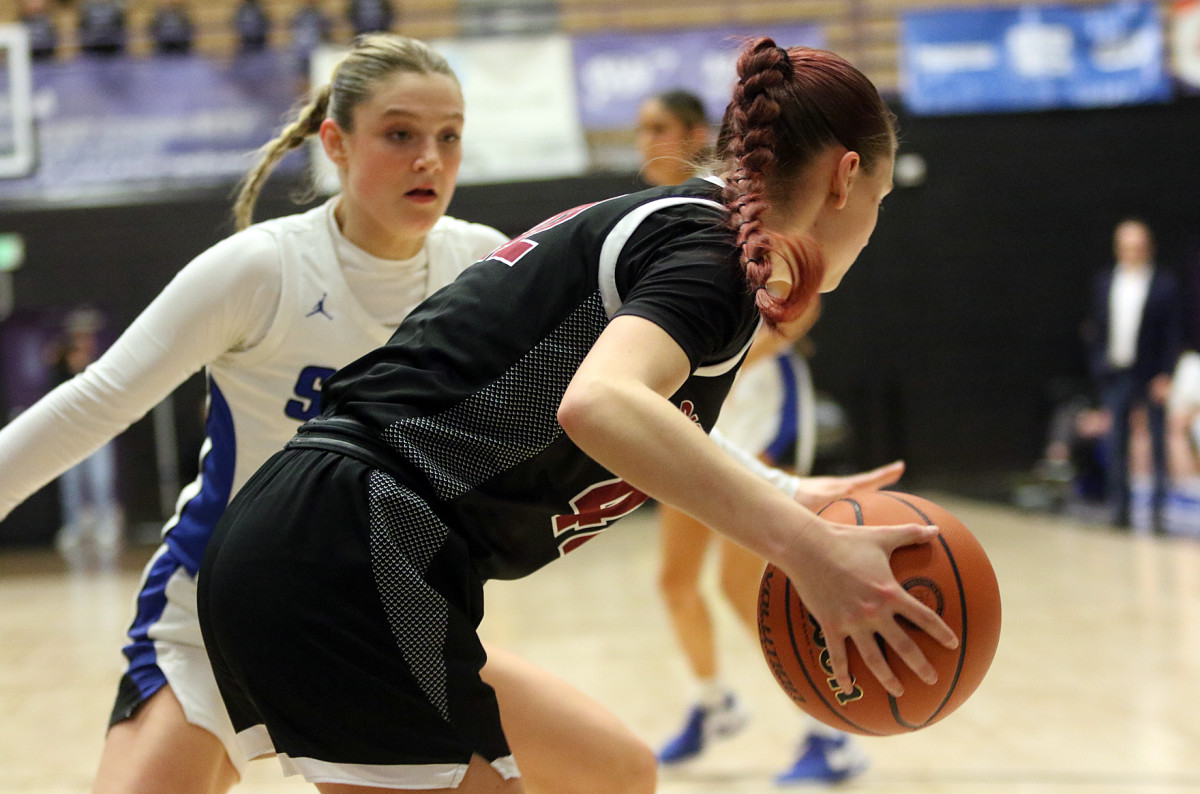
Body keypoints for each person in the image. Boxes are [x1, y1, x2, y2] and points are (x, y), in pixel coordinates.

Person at [198, 38, 959, 792]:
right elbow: (601, 403)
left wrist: (791, 495)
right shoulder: (715, 257)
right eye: (881, 201)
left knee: (612, 773)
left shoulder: (696, 234)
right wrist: (807, 550)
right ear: (845, 176)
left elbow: (647, 417)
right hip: (349, 550)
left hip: (340, 540)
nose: (874, 221)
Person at [0, 34, 650, 794]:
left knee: (614, 770)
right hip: (223, 611)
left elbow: (614, 396)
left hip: (376, 615)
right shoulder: (263, 267)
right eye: (400, 134)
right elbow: (93, 400)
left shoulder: (482, 264)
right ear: (335, 143)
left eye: (449, 137)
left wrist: (776, 496)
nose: (429, 159)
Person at [635, 87, 869, 785]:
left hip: (759, 413)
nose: (643, 140)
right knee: (676, 581)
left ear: (693, 133)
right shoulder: (653, 220)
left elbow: (802, 311)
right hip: (695, 421)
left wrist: (712, 353)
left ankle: (833, 732)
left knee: (753, 589)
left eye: (656, 128)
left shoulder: (744, 208)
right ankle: (714, 705)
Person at [1085, 218, 1183, 531]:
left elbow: (1172, 333)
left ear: (1148, 248)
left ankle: (1157, 508)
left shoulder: (1164, 283)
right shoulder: (1105, 281)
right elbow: (1097, 327)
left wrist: (1166, 374)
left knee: (1156, 440)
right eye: (1126, 246)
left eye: (1138, 246)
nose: (1132, 252)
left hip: (1150, 374)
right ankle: (1120, 508)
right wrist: (1099, 364)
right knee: (1117, 442)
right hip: (1116, 371)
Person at [50, 307, 124, 566]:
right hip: (70, 431)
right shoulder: (60, 361)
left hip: (98, 430)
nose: (83, 339)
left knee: (100, 477)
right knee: (71, 481)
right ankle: (76, 525)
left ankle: (106, 522)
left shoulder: (104, 359)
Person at [634, 89, 711, 188]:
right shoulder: (652, 200)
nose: (646, 142)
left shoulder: (722, 195)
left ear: (697, 136)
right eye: (641, 130)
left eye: (659, 129)